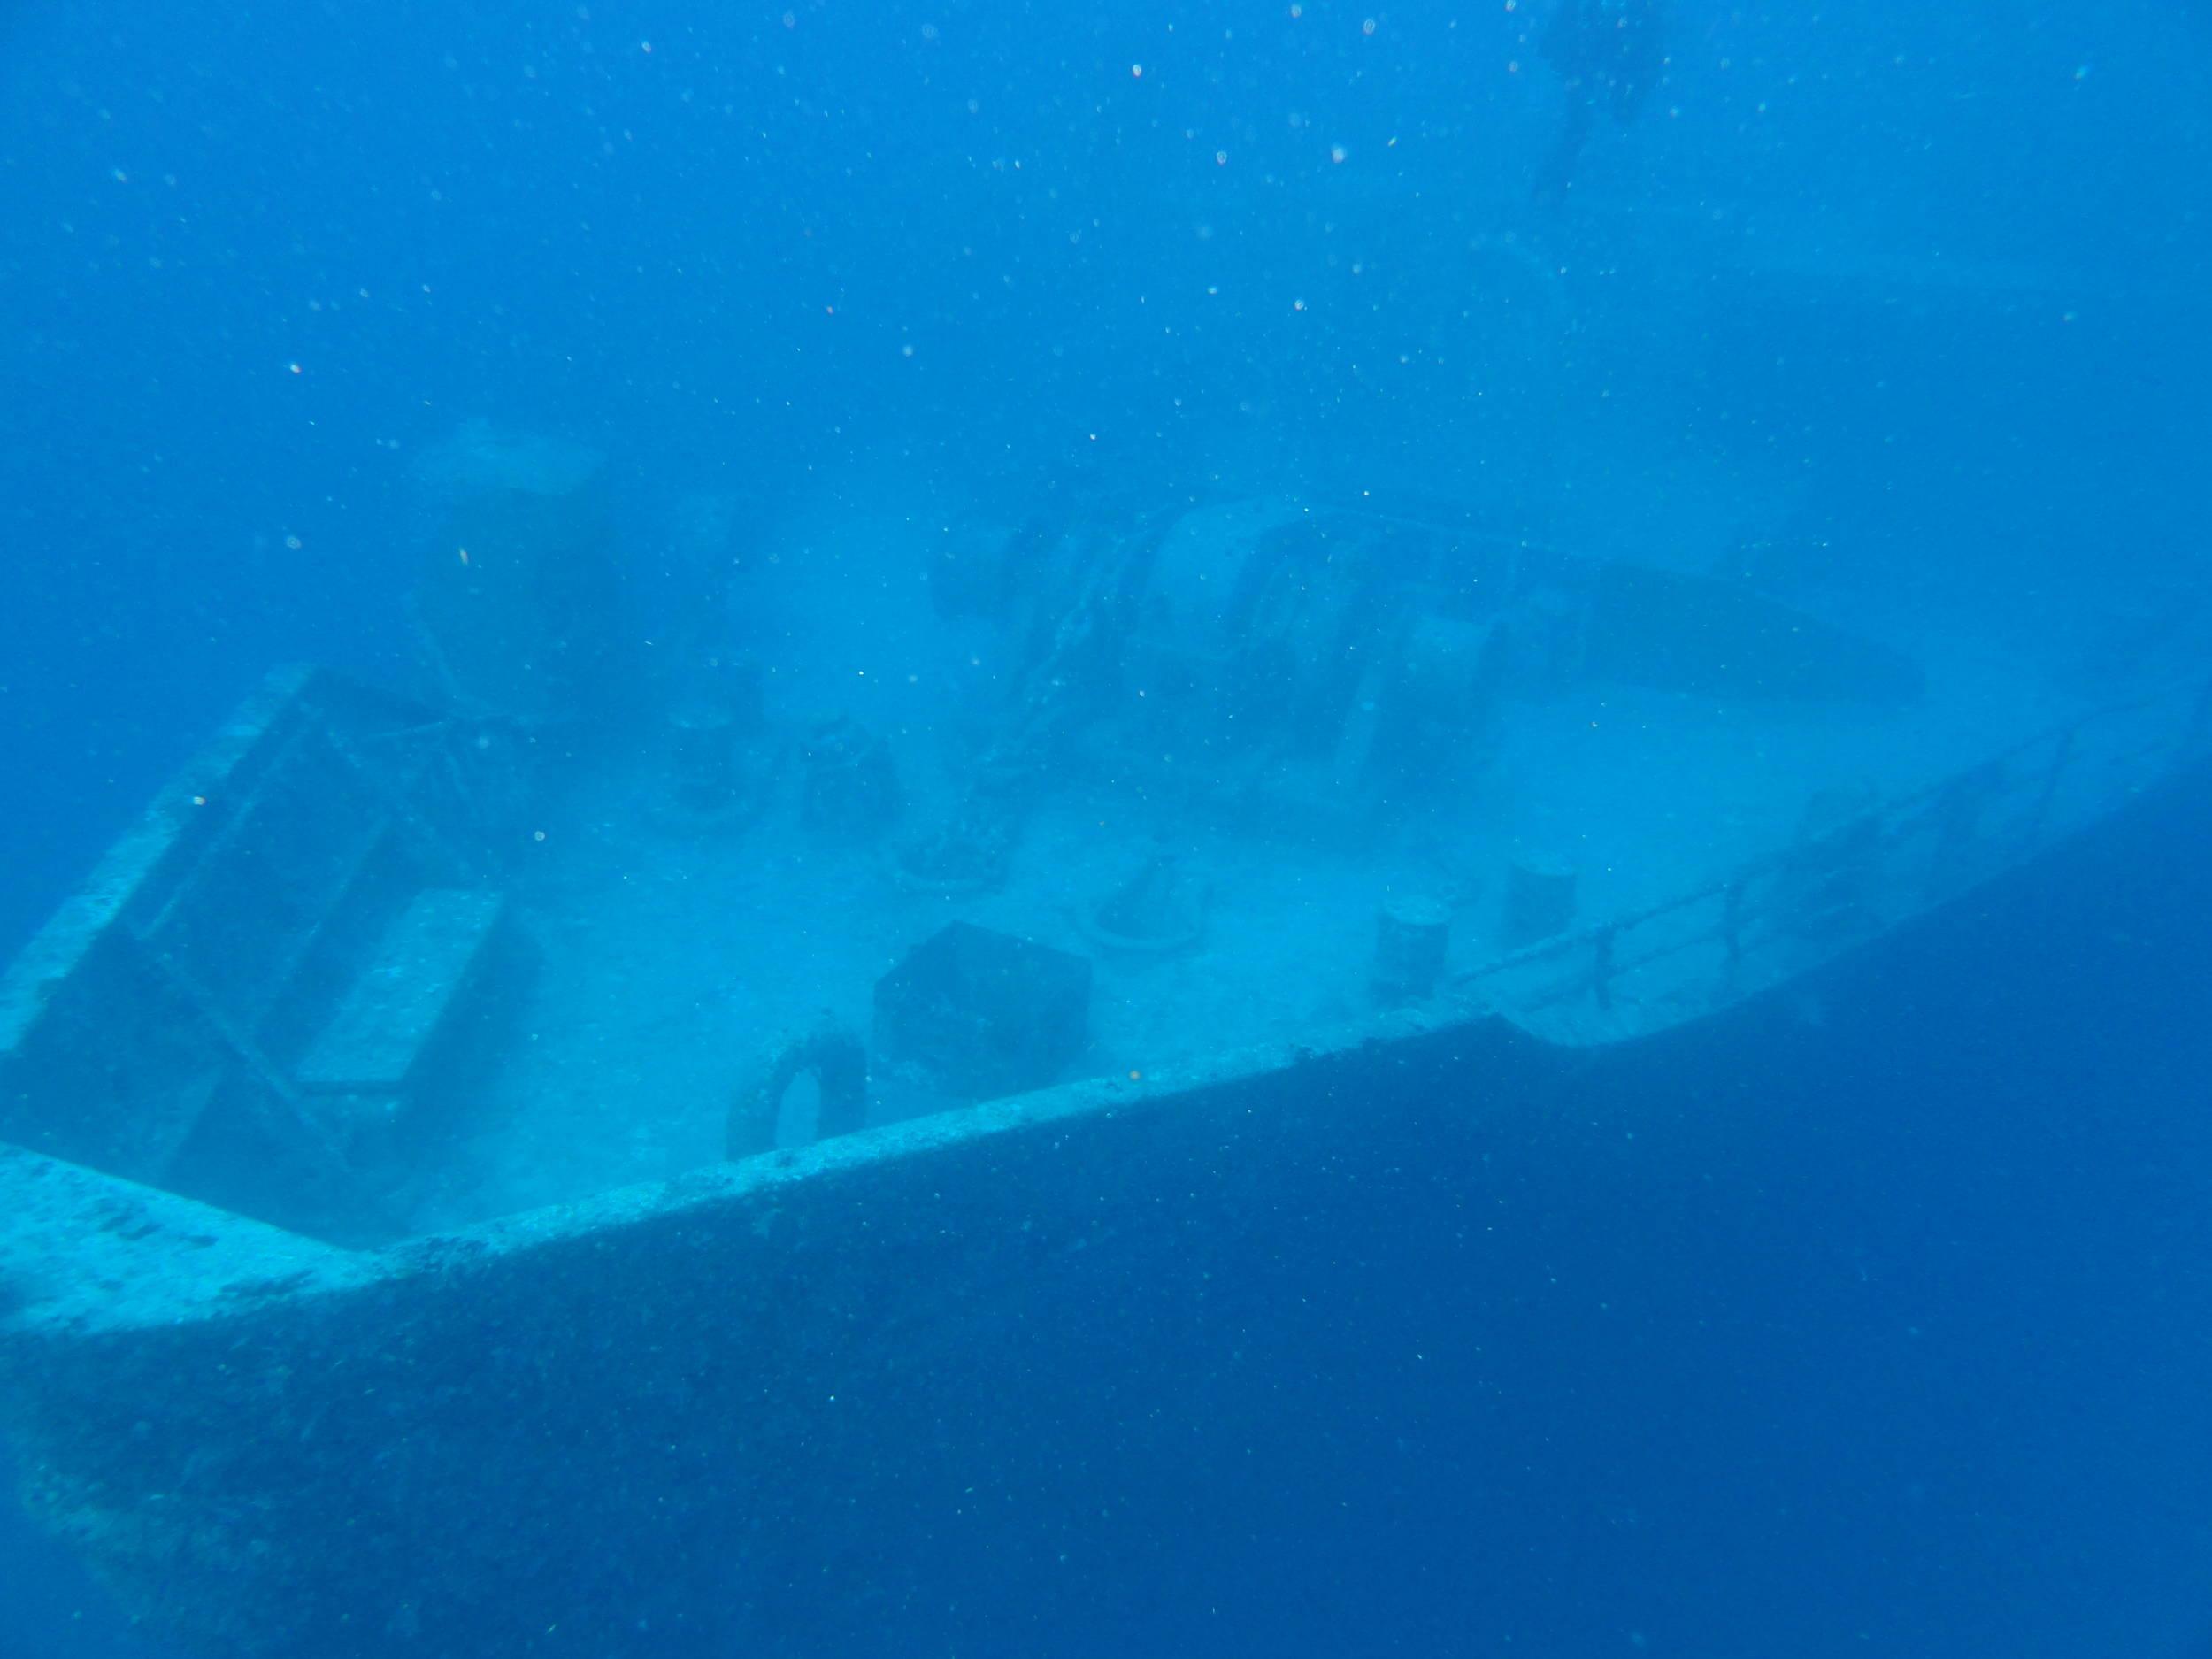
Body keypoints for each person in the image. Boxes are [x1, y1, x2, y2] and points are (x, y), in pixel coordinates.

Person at [1532, 0, 1667, 205]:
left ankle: (1552, 187)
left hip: (1604, 45)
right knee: (1582, 123)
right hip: (1591, 45)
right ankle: (1552, 187)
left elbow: (1651, 41)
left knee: (1591, 121)